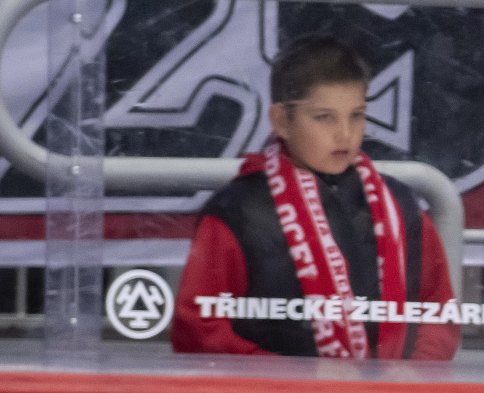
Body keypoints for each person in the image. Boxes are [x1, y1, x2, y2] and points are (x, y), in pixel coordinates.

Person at [171, 37, 458, 360]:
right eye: (324, 117)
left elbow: (438, 312)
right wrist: (290, 379)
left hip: (389, 391)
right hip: (276, 392)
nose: (345, 134)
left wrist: (413, 373)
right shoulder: (238, 210)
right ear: (282, 121)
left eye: (356, 116)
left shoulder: (399, 205)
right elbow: (199, 329)